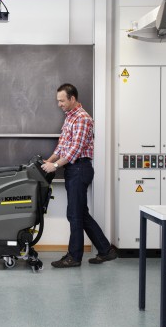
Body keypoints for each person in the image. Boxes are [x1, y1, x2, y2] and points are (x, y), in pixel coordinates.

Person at [41, 83, 117, 268]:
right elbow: (63, 145)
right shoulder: (69, 118)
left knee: (74, 215)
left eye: (62, 101)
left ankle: (74, 258)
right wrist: (48, 161)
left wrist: (56, 165)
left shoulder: (82, 118)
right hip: (73, 170)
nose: (59, 104)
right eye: (58, 101)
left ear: (72, 98)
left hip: (79, 169)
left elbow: (75, 150)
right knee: (81, 214)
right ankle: (106, 250)